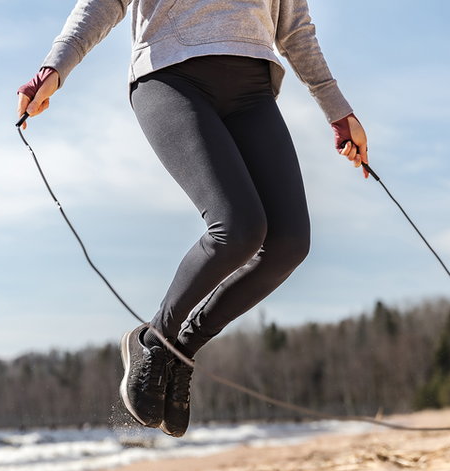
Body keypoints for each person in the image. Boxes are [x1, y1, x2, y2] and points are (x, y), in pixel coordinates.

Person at [18, 0, 369, 438]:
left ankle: (179, 352)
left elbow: (294, 28)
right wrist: (55, 66)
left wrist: (340, 111)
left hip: (253, 90)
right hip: (171, 77)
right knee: (237, 229)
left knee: (289, 244)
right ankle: (153, 342)